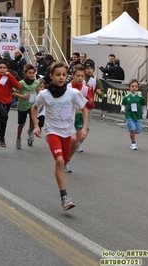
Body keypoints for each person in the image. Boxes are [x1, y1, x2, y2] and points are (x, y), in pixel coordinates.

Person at [31, 62, 88, 211]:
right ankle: (64, 197)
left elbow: (85, 109)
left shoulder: (73, 93)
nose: (61, 77)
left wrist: (84, 128)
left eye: (64, 74)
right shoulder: (44, 94)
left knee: (65, 158)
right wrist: (37, 126)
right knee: (59, 161)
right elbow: (34, 108)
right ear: (51, 76)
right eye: (58, 75)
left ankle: (64, 164)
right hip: (52, 132)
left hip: (68, 131)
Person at [64, 64, 92, 173]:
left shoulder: (85, 88)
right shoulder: (68, 87)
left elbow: (88, 103)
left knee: (76, 143)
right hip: (68, 115)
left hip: (79, 115)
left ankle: (67, 160)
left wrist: (90, 101)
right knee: (72, 139)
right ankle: (64, 159)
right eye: (78, 76)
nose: (80, 78)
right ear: (73, 76)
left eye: (82, 76)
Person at [76, 59, 105, 152]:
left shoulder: (95, 79)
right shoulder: (81, 78)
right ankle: (72, 142)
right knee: (76, 125)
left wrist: (100, 93)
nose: (89, 70)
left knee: (86, 127)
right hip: (78, 106)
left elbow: (102, 92)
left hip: (89, 107)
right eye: (87, 68)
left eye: (91, 68)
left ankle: (78, 144)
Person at [12, 64, 40, 149]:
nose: (31, 75)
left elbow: (39, 93)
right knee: (21, 124)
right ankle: (18, 138)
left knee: (33, 120)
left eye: (33, 73)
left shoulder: (37, 82)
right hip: (23, 105)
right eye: (29, 73)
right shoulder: (21, 83)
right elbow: (13, 93)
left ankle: (30, 131)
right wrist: (22, 96)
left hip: (33, 105)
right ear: (25, 73)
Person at [120, 79, 146, 150]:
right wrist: (122, 110)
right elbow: (124, 105)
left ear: (138, 88)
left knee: (137, 131)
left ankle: (133, 133)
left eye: (136, 86)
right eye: (132, 86)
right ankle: (133, 143)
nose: (134, 88)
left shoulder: (140, 97)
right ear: (129, 87)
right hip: (129, 115)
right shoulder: (126, 97)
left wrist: (144, 114)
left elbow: (143, 107)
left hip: (137, 116)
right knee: (133, 130)